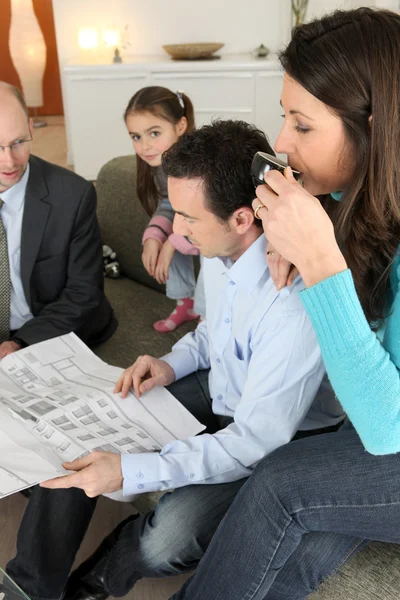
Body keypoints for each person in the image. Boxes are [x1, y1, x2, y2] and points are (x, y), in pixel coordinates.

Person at [6, 120, 345, 600]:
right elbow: (212, 333)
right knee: (81, 430)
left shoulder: (294, 304)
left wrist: (129, 471)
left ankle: (99, 579)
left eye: (188, 219)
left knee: (168, 537)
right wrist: (171, 362)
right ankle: (28, 588)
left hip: (284, 438)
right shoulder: (220, 243)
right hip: (220, 385)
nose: (177, 233)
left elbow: (253, 442)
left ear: (243, 218)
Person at [161, 8, 400, 600]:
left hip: (388, 428)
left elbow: (385, 428)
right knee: (291, 550)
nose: (283, 144)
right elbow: (273, 182)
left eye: (303, 125)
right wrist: (282, 228)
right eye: (282, 118)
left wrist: (321, 261)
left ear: (373, 126)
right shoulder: (356, 193)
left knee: (278, 484)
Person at [0, 81, 116, 359]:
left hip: (50, 331)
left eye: (18, 142)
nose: (9, 161)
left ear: (31, 128)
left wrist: (19, 344)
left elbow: (83, 292)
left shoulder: (74, 195)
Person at [124, 85, 204, 332]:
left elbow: (211, 222)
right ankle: (186, 302)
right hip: (194, 228)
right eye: (136, 137)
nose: (145, 146)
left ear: (180, 127)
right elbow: (168, 204)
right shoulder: (161, 167)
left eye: (154, 133)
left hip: (222, 234)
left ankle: (209, 312)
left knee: (198, 252)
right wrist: (154, 237)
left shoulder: (199, 166)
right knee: (168, 236)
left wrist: (172, 242)